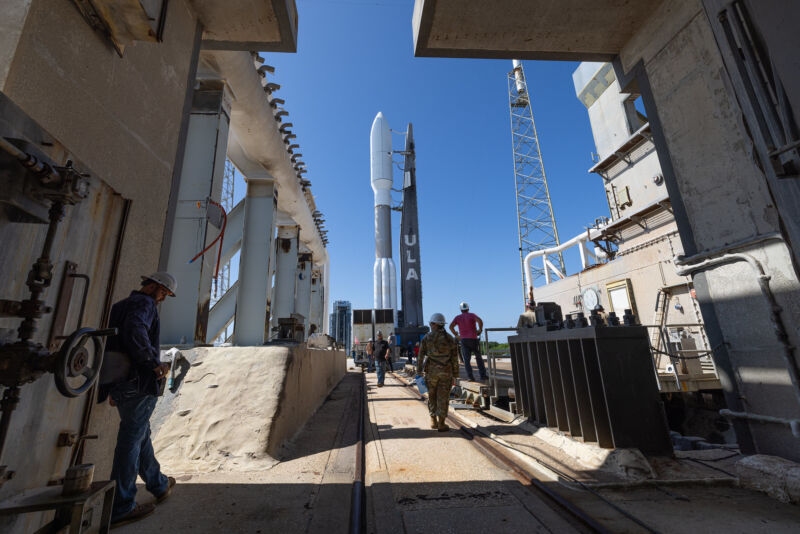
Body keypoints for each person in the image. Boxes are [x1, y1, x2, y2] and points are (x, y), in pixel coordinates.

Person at [100, 272, 178, 527]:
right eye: (163, 292)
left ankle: (159, 484)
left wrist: (112, 387)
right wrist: (153, 364)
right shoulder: (145, 304)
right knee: (130, 441)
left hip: (120, 383)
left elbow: (113, 345)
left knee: (140, 433)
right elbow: (136, 331)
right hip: (138, 382)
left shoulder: (119, 306)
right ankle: (121, 507)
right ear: (153, 286)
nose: (163, 298)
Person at [417, 313, 459, 431]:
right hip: (446, 372)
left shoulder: (427, 338)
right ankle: (441, 423)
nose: (430, 326)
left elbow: (420, 356)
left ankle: (433, 420)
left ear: (434, 324)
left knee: (432, 396)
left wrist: (419, 371)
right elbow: (454, 358)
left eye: (431, 324)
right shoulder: (450, 339)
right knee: (443, 397)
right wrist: (455, 374)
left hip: (431, 373)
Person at [449, 301, 487, 381]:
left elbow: (451, 326)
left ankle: (470, 377)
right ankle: (483, 376)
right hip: (473, 339)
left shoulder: (457, 317)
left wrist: (456, 335)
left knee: (466, 360)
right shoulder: (472, 315)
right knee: (479, 358)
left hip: (464, 340)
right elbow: (480, 321)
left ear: (460, 310)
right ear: (468, 308)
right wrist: (480, 330)